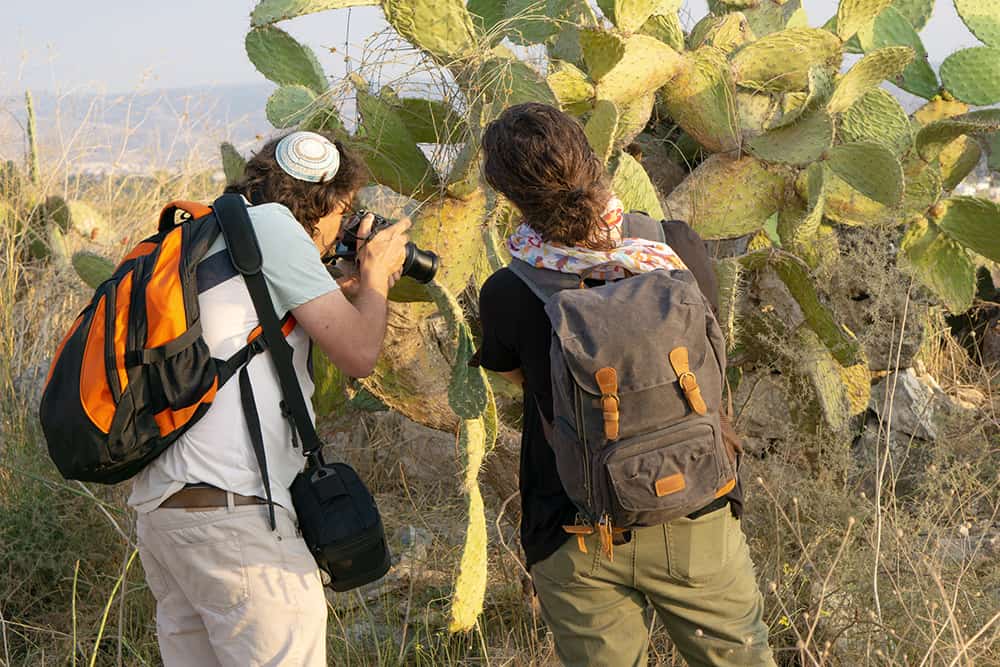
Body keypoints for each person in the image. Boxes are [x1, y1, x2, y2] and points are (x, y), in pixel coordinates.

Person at [476, 103, 775, 667]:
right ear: (596, 162)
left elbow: (518, 382)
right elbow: (713, 349)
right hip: (696, 505)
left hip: (577, 528)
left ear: (509, 197)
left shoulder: (507, 293)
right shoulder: (677, 246)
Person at [128, 131, 410, 666]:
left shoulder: (207, 236)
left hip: (167, 517)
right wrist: (375, 275)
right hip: (237, 517)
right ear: (323, 203)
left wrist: (339, 289)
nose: (343, 229)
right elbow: (358, 354)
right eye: (344, 212)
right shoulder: (275, 227)